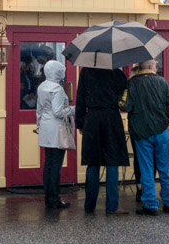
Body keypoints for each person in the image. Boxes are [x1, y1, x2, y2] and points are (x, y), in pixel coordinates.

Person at [120, 59, 169, 216]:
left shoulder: (132, 83)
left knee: (146, 168)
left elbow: (124, 105)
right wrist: (164, 122)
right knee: (166, 166)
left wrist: (125, 90)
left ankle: (151, 204)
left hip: (141, 132)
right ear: (151, 66)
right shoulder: (163, 82)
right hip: (161, 131)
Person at [75, 67, 130, 215]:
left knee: (93, 162)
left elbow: (80, 98)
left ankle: (89, 204)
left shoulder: (86, 72)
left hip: (92, 118)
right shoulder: (116, 73)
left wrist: (80, 123)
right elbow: (124, 95)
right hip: (111, 117)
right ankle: (112, 206)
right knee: (112, 161)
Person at [36, 60, 75, 209]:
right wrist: (73, 109)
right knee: (56, 165)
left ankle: (49, 197)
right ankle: (54, 199)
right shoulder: (57, 89)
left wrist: (39, 125)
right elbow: (58, 112)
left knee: (49, 164)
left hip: (46, 126)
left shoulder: (42, 86)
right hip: (56, 128)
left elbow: (39, 109)